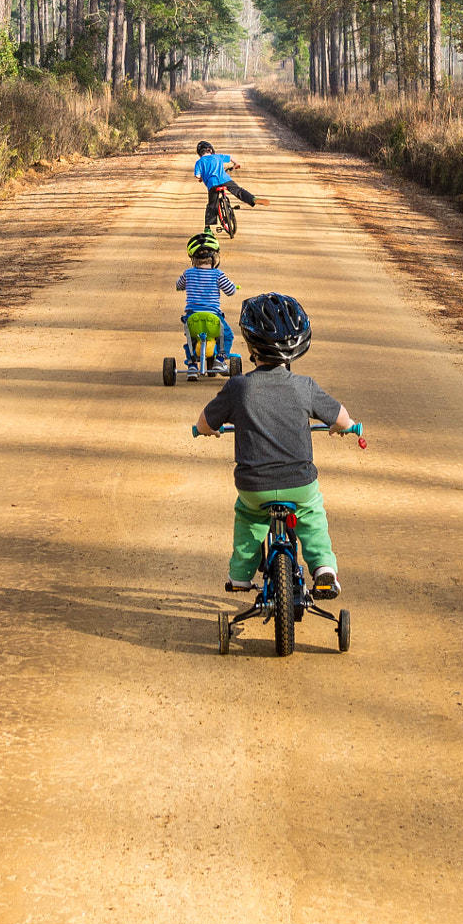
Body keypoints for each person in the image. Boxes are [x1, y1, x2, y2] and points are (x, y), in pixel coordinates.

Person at [194, 292, 356, 600]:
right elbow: (343, 418)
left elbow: (204, 423)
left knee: (249, 520)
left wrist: (208, 431)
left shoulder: (237, 387)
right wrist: (341, 427)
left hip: (255, 488)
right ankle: (323, 568)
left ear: (251, 346)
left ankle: (241, 576)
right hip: (300, 484)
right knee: (312, 516)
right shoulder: (304, 386)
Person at [175, 229, 237, 363]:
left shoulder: (188, 273)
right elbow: (230, 291)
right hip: (213, 318)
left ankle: (191, 365)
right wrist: (233, 286)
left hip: (193, 317)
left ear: (193, 259)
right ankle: (220, 359)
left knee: (190, 340)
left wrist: (180, 286)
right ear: (214, 258)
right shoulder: (218, 274)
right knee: (227, 336)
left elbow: (179, 285)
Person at [191, 139, 261, 228]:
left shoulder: (199, 162)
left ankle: (208, 228)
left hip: (212, 184)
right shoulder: (218, 156)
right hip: (225, 180)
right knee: (238, 190)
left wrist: (202, 178)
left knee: (212, 205)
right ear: (210, 150)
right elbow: (231, 158)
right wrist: (236, 164)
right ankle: (252, 199)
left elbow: (197, 175)